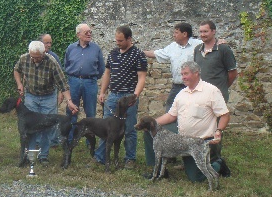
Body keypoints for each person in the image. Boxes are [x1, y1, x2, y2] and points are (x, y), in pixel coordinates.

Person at [145, 61, 231, 181]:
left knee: (196, 178)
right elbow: (171, 116)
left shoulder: (211, 91)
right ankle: (159, 171)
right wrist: (151, 123)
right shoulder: (181, 93)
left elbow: (225, 115)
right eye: (182, 74)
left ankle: (218, 164)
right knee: (149, 132)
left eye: (186, 74)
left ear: (196, 73)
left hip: (200, 141)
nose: (183, 77)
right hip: (182, 139)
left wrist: (219, 130)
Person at [143, 23, 202, 169]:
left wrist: (221, 42)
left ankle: (190, 153)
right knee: (170, 118)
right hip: (177, 87)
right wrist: (140, 52)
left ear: (185, 34)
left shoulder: (198, 44)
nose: (173, 35)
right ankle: (171, 153)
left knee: (191, 119)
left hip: (193, 87)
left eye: (176, 32)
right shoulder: (172, 47)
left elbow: (211, 46)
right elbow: (157, 53)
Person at [14, 41, 78, 165]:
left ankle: (43, 156)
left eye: (37, 57)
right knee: (30, 127)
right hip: (31, 96)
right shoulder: (24, 58)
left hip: (48, 97)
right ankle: (30, 155)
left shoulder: (52, 62)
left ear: (44, 53)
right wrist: (19, 84)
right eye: (32, 56)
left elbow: (63, 84)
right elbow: (16, 70)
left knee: (46, 128)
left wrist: (69, 101)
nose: (34, 59)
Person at [93, 25, 148, 169]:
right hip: (113, 96)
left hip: (128, 97)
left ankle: (130, 159)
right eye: (116, 40)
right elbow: (107, 73)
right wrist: (102, 92)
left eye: (121, 40)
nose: (118, 43)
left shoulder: (138, 54)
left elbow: (141, 77)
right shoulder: (113, 53)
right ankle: (101, 157)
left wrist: (135, 96)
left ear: (129, 39)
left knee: (129, 129)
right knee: (107, 128)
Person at [64, 23, 105, 146]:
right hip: (74, 82)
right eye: (86, 32)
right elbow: (66, 65)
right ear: (78, 34)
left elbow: (101, 68)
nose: (89, 34)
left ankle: (90, 142)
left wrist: (91, 78)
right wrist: (73, 78)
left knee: (90, 113)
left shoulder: (96, 49)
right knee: (71, 111)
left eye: (90, 32)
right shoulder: (71, 48)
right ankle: (70, 140)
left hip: (90, 82)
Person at [194, 20, 238, 103]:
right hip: (200, 95)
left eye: (205, 31)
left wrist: (222, 88)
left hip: (218, 96)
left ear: (213, 31)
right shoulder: (197, 49)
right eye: (201, 32)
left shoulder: (223, 49)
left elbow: (233, 73)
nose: (202, 34)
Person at [39, 33, 63, 147]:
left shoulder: (54, 57)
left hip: (51, 92)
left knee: (52, 117)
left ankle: (53, 141)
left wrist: (60, 93)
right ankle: (39, 141)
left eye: (50, 43)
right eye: (46, 42)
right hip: (35, 93)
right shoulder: (32, 55)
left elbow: (60, 77)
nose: (49, 45)